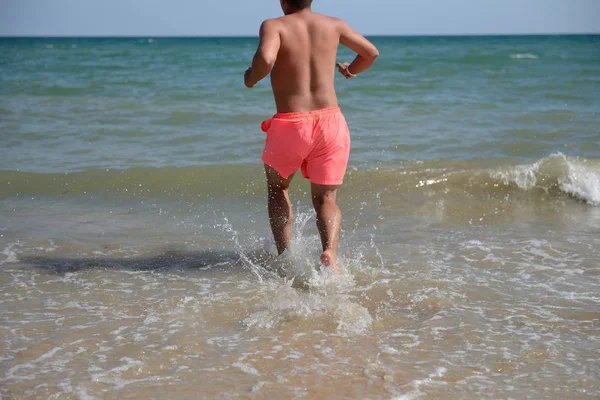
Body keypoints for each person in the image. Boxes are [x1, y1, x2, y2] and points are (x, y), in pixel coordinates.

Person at [244, 0, 379, 272]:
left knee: (278, 189)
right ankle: (330, 251)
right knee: (326, 200)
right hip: (331, 122)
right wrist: (350, 70)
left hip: (291, 124)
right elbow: (371, 53)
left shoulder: (274, 26)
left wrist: (251, 77)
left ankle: (284, 256)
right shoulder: (334, 24)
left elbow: (267, 60)